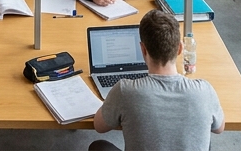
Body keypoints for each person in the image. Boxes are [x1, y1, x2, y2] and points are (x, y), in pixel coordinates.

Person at [89, 10, 225, 151]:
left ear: (143, 50)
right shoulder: (204, 91)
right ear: (179, 48)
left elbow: (99, 126)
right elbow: (219, 128)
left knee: (98, 147)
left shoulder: (125, 91)